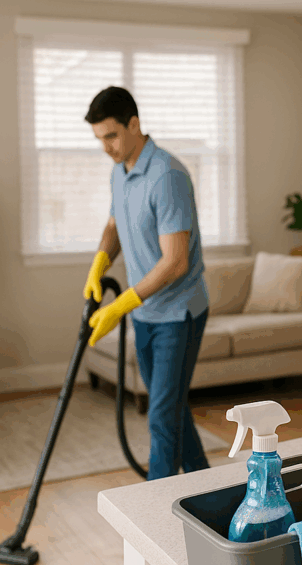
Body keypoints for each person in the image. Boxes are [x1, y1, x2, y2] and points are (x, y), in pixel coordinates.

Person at [82, 86, 211, 480]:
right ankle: (208, 484)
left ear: (134, 124)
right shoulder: (119, 173)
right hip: (146, 314)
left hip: (178, 313)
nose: (106, 146)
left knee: (160, 416)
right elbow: (113, 225)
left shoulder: (167, 175)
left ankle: (157, 514)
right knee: (169, 407)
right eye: (99, 138)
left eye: (111, 136)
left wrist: (120, 305)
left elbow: (175, 262)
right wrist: (99, 262)